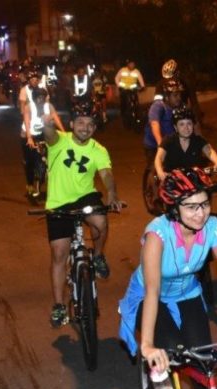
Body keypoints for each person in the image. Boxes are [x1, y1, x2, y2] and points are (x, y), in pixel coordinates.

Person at [118, 167, 217, 389]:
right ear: (174, 208)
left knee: (203, 364)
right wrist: (148, 344)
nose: (200, 213)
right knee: (169, 351)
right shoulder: (157, 235)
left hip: (188, 295)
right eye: (191, 207)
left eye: (204, 204)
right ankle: (158, 385)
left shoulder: (213, 227)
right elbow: (153, 291)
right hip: (151, 297)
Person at [39, 100, 122, 328]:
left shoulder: (98, 150)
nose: (85, 127)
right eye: (81, 122)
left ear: (95, 128)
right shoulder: (60, 141)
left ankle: (98, 256)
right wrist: (46, 123)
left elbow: (105, 174)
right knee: (59, 254)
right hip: (58, 202)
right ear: (72, 123)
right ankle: (58, 305)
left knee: (100, 222)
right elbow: (49, 134)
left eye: (90, 124)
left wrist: (112, 194)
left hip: (85, 196)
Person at [154, 108, 217, 181]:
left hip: (193, 180)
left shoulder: (198, 140)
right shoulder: (168, 140)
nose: (186, 128)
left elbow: (209, 151)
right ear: (176, 127)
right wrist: (160, 171)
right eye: (181, 124)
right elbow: (159, 158)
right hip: (172, 180)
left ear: (193, 125)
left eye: (189, 123)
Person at [21, 87, 64, 197]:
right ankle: (30, 183)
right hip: (28, 134)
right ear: (34, 98)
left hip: (42, 134)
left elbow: (56, 117)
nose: (40, 100)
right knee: (29, 161)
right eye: (38, 97)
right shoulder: (28, 107)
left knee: (49, 156)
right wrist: (29, 137)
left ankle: (47, 177)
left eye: (42, 97)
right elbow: (27, 122)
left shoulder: (48, 106)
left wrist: (64, 132)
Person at [144, 78, 186, 170]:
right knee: (158, 169)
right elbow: (154, 124)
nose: (179, 98)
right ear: (167, 96)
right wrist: (160, 143)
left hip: (172, 144)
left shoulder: (180, 107)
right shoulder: (158, 106)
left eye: (180, 95)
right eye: (175, 95)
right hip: (154, 145)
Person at [115, 60, 146, 129]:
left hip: (132, 89)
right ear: (128, 64)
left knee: (136, 102)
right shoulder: (122, 70)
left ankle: (137, 116)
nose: (132, 65)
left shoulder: (136, 71)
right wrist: (119, 85)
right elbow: (116, 78)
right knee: (123, 103)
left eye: (133, 64)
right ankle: (123, 115)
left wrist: (143, 86)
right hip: (124, 89)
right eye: (131, 64)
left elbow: (141, 79)